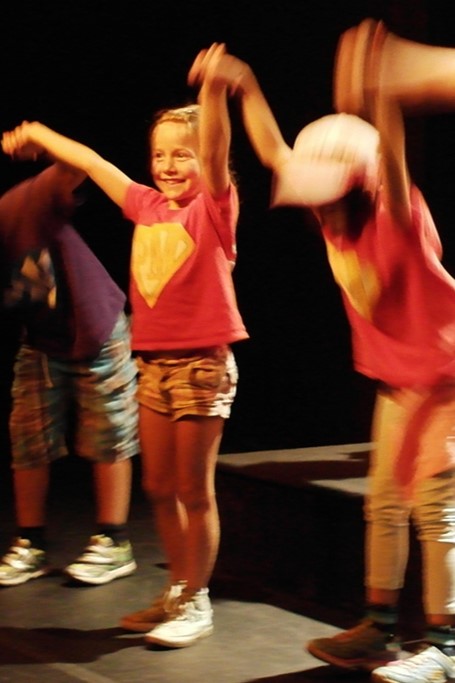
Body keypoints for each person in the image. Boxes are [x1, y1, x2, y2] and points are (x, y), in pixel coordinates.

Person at [188, 44, 455, 682]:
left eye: (330, 192)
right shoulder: (331, 214)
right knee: (384, 504)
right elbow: (274, 152)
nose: (318, 204)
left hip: (448, 378)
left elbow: (392, 161)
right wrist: (245, 83)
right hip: (400, 380)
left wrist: (384, 96)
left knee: (435, 509)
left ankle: (446, 646)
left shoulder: (395, 214)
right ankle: (379, 627)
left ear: (360, 185)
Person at [2, 42, 249, 647]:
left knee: (193, 490)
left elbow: (217, 149)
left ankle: (196, 599)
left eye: (182, 154)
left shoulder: (212, 210)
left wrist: (214, 90)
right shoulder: (145, 206)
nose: (168, 165)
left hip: (201, 367)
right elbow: (91, 160)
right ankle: (177, 588)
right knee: (159, 487)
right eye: (159, 154)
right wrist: (38, 134)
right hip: (154, 365)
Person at [0, 157, 139, 588]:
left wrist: (40, 140)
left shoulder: (19, 206)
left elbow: (75, 167)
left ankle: (113, 541)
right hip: (41, 339)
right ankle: (31, 543)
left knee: (107, 432)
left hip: (98, 327)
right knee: (28, 436)